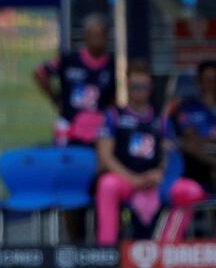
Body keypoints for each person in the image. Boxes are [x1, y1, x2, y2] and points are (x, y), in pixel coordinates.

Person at [96, 60, 205, 245]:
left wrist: (159, 173)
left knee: (191, 191)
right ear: (128, 86)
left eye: (143, 86)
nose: (139, 91)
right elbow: (105, 156)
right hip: (125, 179)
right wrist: (132, 179)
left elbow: (169, 155)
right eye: (135, 86)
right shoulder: (113, 116)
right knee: (107, 185)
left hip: (155, 181)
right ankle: (107, 249)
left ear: (151, 87)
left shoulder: (161, 121)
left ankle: (166, 247)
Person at [34, 13, 116, 146]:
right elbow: (40, 73)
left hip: (97, 130)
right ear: (86, 36)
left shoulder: (112, 66)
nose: (98, 40)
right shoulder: (69, 60)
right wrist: (55, 98)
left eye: (101, 35)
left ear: (107, 37)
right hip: (68, 126)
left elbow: (114, 99)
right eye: (94, 35)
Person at [171, 60, 216, 193]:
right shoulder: (188, 107)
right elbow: (190, 140)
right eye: (207, 79)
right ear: (199, 81)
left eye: (214, 79)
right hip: (199, 163)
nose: (212, 84)